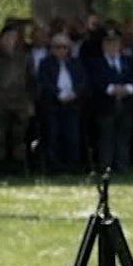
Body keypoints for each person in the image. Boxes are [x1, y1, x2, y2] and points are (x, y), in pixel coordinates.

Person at [36, 34, 87, 173]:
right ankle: (54, 167)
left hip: (73, 104)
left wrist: (74, 93)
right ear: (52, 49)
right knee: (53, 135)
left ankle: (72, 166)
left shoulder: (76, 63)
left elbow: (82, 82)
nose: (61, 50)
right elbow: (44, 82)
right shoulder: (45, 63)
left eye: (64, 47)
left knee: (73, 136)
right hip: (53, 104)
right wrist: (58, 94)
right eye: (57, 47)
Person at [0, 25, 35, 175]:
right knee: (0, 137)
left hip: (19, 103)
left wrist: (29, 102)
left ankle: (18, 168)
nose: (11, 41)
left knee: (19, 138)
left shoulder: (24, 58)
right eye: (8, 37)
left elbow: (30, 81)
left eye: (14, 37)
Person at [94, 31, 133, 174]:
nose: (112, 46)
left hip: (126, 104)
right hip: (106, 105)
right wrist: (112, 89)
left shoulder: (129, 61)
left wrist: (128, 88)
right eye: (109, 43)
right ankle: (106, 167)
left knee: (124, 137)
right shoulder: (97, 63)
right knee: (106, 137)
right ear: (103, 45)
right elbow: (95, 81)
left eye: (115, 43)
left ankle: (123, 166)